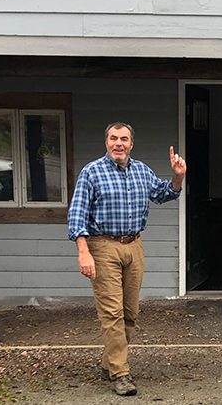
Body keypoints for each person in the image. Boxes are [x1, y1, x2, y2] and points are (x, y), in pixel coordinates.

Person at [68, 122, 186, 396]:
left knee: (130, 313)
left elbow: (164, 193)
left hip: (134, 246)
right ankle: (120, 373)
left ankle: (110, 361)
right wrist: (83, 252)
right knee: (112, 312)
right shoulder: (92, 172)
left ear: (132, 144)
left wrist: (177, 176)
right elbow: (77, 214)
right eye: (113, 138)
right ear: (106, 142)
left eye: (124, 139)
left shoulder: (142, 171)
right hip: (103, 246)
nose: (118, 143)